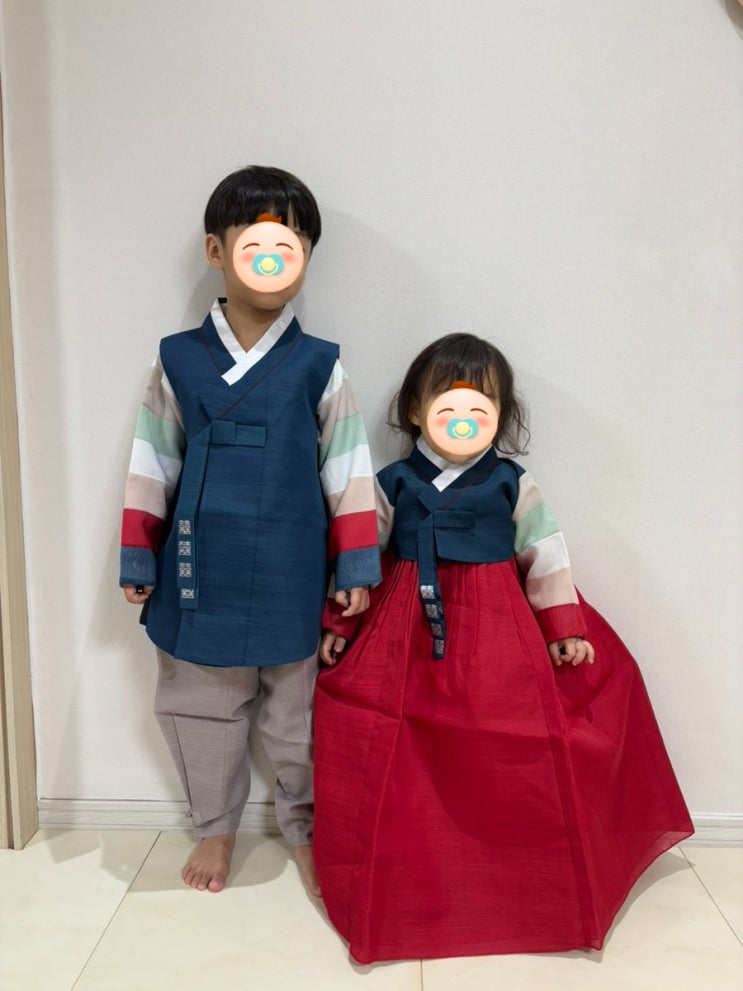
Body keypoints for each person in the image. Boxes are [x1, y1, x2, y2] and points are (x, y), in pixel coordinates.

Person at [313, 333, 693, 962]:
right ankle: (418, 862)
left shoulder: (513, 483)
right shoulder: (392, 482)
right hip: (404, 622)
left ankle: (510, 870)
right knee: (396, 737)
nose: (463, 417)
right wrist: (341, 621)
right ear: (416, 411)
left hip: (495, 622)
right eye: (447, 403)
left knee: (515, 736)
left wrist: (564, 627)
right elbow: (360, 557)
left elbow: (545, 553)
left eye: (480, 405)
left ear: (499, 415)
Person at [120, 165, 380, 895]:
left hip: (293, 565)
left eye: (291, 244)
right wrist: (138, 552)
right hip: (199, 566)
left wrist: (356, 566)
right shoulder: (178, 358)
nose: (273, 258)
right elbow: (152, 457)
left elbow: (348, 466)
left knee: (299, 716)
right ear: (217, 251)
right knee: (200, 705)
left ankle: (306, 825)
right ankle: (215, 826)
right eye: (256, 242)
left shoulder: (319, 365)